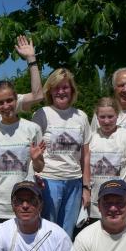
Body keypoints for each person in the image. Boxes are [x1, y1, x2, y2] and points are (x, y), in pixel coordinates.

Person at [32, 69, 92, 238]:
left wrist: (86, 187)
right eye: (56, 88)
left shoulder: (81, 116)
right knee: (47, 232)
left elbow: (86, 155)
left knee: (67, 233)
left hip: (74, 182)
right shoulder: (41, 114)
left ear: (72, 90)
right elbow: (34, 152)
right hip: (48, 181)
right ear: (50, 91)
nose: (61, 91)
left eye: (65, 87)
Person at [0, 81, 45, 230]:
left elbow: (39, 167)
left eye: (9, 100)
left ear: (16, 100)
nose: (6, 106)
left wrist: (36, 159)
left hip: (27, 202)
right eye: (0, 102)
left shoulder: (32, 128)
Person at [86, 98, 126, 221]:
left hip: (120, 206)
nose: (106, 121)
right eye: (102, 117)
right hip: (95, 207)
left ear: (117, 116)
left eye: (110, 116)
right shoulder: (91, 138)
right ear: (97, 117)